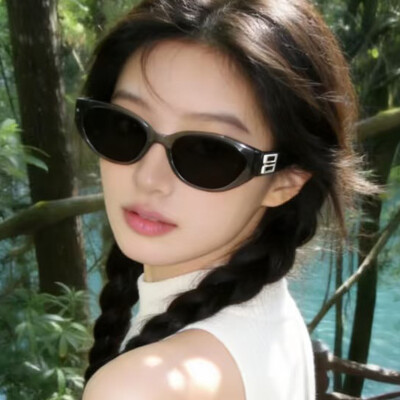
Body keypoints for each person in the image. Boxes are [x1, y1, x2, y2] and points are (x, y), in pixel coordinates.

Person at [74, 0, 372, 398]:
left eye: (209, 152)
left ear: (285, 181)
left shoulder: (141, 385)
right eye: (125, 127)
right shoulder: (271, 318)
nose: (148, 178)